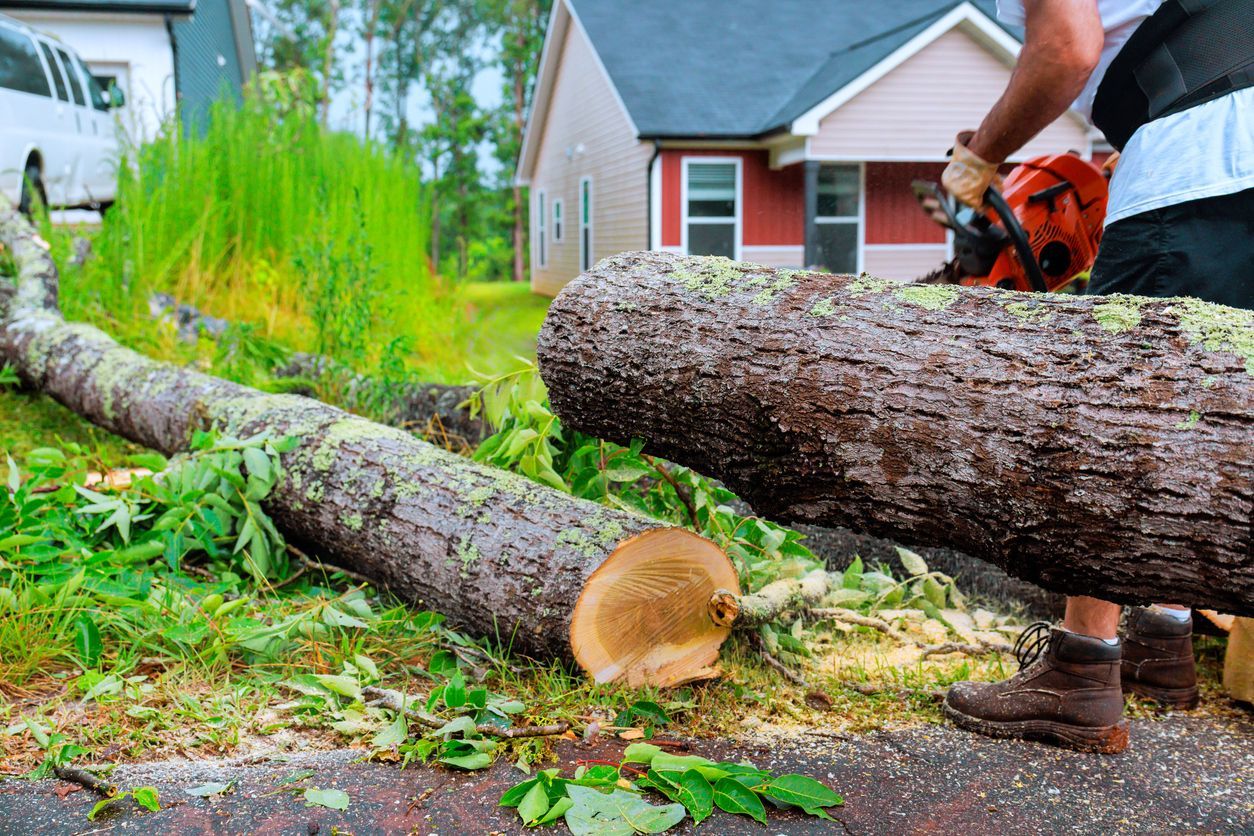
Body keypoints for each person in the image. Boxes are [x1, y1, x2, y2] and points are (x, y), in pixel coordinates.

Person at [938, 0, 1253, 754]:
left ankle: (1082, 670)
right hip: (1220, 148)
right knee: (1207, 421)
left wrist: (981, 157)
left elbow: (1066, 48)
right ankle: (1164, 638)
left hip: (1201, 163)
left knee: (1115, 418)